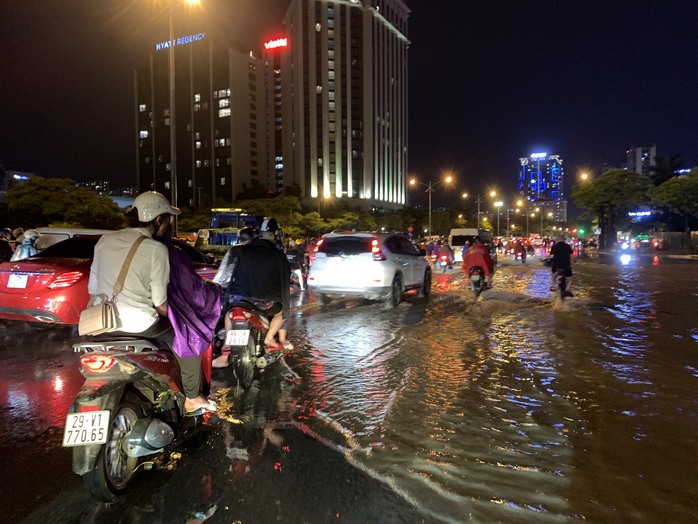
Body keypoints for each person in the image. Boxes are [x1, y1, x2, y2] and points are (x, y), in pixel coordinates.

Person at [88, 191, 215, 415]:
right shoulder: (156, 249)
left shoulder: (104, 241)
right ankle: (193, 398)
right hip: (140, 324)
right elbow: (159, 303)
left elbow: (93, 287)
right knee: (189, 337)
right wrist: (183, 317)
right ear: (158, 220)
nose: (168, 224)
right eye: (167, 219)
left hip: (100, 322)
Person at [225, 217, 292, 351]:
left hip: (238, 298)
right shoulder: (278, 256)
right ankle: (270, 337)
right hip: (265, 303)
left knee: (229, 314)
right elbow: (285, 283)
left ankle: (227, 345)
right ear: (275, 234)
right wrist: (286, 307)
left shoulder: (243, 250)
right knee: (282, 313)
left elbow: (231, 273)